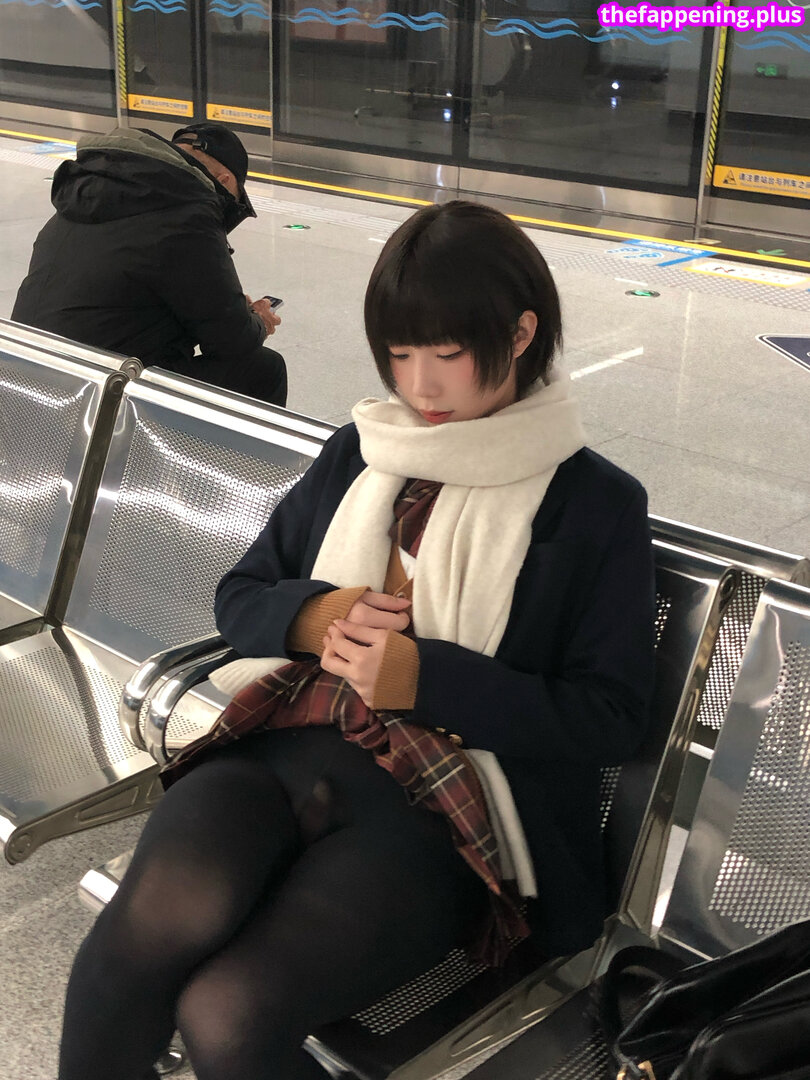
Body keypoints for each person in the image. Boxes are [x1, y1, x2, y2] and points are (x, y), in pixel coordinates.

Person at [57, 201, 656, 1080]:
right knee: (136, 941)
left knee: (229, 1010)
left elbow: (610, 718)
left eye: (447, 353)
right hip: (285, 749)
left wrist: (426, 676)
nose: (422, 387)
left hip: (449, 806)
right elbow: (241, 596)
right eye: (401, 355)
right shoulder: (365, 452)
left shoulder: (592, 504)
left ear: (521, 333)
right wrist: (312, 618)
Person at [12, 122, 287, 406]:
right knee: (265, 369)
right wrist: (257, 321)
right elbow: (231, 340)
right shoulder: (187, 212)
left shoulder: (89, 191)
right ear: (225, 180)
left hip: (24, 373)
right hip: (98, 393)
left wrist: (228, 306)